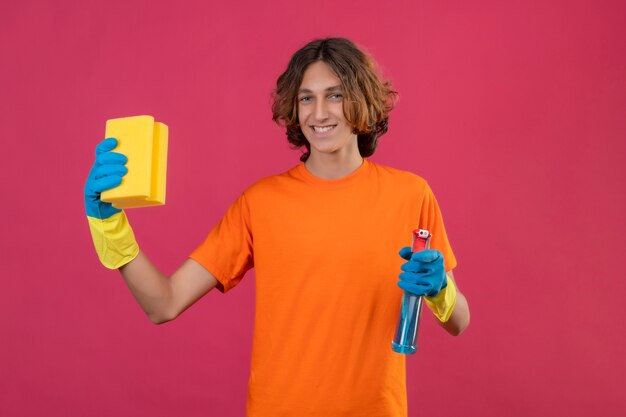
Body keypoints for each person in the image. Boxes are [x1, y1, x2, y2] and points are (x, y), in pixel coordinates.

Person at [84, 37, 470, 417]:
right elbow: (164, 303)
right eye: (307, 98)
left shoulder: (411, 194)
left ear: (364, 100)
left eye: (335, 95)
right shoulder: (261, 202)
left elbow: (459, 322)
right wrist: (110, 227)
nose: (319, 113)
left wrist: (441, 289)